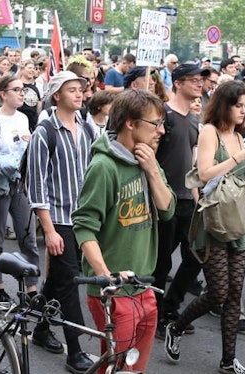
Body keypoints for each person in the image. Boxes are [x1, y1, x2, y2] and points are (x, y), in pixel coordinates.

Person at [164, 81, 245, 374]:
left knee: (235, 291)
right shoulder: (210, 131)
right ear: (225, 105)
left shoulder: (240, 136)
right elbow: (204, 174)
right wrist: (242, 157)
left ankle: (228, 360)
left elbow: (243, 186)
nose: (243, 111)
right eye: (238, 105)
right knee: (218, 293)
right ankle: (176, 325)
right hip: (212, 222)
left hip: (237, 221)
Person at [74, 89, 176, 372]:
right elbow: (83, 227)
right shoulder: (104, 166)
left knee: (134, 368)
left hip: (144, 285)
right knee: (118, 366)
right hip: (114, 290)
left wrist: (153, 171)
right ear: (130, 123)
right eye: (154, 123)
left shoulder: (148, 161)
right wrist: (105, 276)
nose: (161, 131)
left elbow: (167, 209)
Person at [25, 71, 96, 373]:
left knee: (57, 281)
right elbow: (36, 184)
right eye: (72, 90)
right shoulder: (45, 131)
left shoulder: (86, 126)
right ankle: (76, 350)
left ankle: (40, 328)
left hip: (84, 217)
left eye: (80, 89)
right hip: (60, 219)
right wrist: (49, 229)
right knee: (70, 283)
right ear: (57, 95)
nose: (79, 94)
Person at [156, 64, 210, 337]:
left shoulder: (192, 119)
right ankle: (154, 317)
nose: (199, 85)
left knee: (195, 256)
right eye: (193, 80)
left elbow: (191, 159)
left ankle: (170, 306)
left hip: (188, 199)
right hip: (164, 199)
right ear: (177, 83)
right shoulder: (163, 114)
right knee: (161, 263)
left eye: (201, 80)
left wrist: (197, 195)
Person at [0, 74, 42, 302]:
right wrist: (4, 161)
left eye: (22, 90)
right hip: (0, 186)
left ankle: (32, 290)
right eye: (16, 90)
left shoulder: (23, 118)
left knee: (28, 239)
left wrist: (29, 145)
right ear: (3, 94)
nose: (21, 93)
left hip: (21, 184)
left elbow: (25, 148)